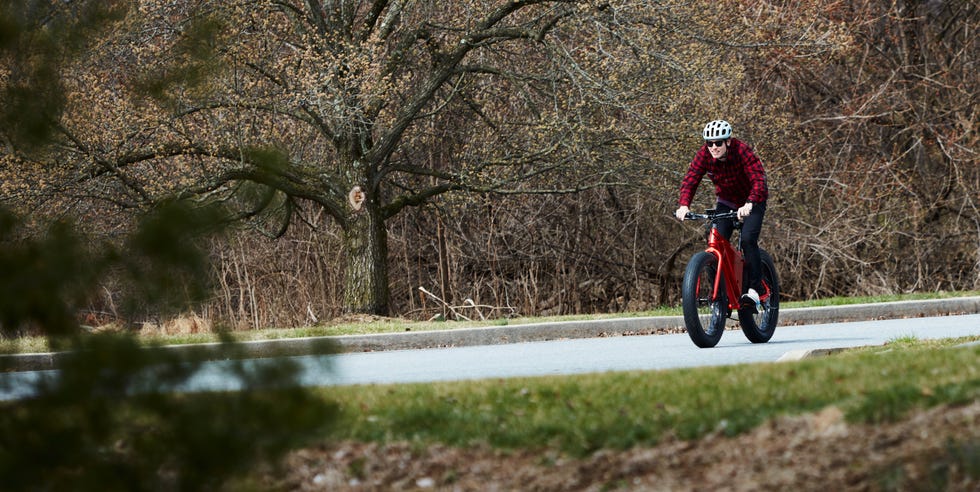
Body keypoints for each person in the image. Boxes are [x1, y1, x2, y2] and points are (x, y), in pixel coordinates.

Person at [675, 120, 769, 311]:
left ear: (728, 141)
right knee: (715, 241)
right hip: (726, 201)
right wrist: (684, 205)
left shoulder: (742, 151)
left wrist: (750, 202)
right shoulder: (704, 155)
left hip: (752, 200)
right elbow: (691, 178)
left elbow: (758, 179)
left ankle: (755, 289)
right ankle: (719, 294)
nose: (713, 147)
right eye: (709, 143)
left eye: (718, 143)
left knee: (748, 239)